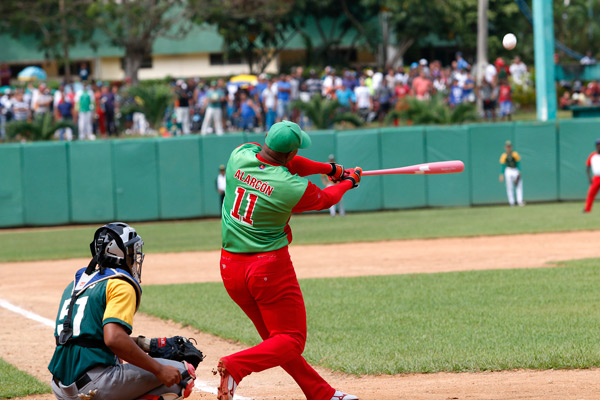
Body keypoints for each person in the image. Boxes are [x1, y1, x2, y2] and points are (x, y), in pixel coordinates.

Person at [216, 120, 361, 400]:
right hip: (268, 268)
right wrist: (347, 183)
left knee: (277, 342)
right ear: (289, 154)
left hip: (230, 268)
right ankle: (235, 367)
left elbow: (291, 163)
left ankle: (320, 392)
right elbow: (326, 198)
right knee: (291, 340)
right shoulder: (289, 187)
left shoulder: (240, 155)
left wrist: (331, 169)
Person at [48, 222, 196, 400]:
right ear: (120, 254)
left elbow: (89, 337)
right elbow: (114, 339)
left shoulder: (77, 283)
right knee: (182, 373)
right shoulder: (120, 284)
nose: (135, 257)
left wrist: (147, 344)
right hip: (92, 388)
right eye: (132, 251)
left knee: (120, 357)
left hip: (61, 388)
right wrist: (159, 369)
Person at [499, 140, 524, 206]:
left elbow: (518, 163)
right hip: (508, 170)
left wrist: (519, 171)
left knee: (519, 185)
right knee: (509, 187)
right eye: (507, 146)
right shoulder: (504, 155)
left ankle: (519, 201)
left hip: (515, 170)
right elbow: (503, 165)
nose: (508, 148)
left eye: (509, 146)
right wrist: (501, 174)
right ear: (505, 147)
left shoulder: (515, 154)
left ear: (511, 147)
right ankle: (511, 202)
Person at [584, 139, 600, 213]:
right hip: (596, 177)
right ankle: (587, 209)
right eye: (598, 144)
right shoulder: (592, 155)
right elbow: (587, 167)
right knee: (591, 194)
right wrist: (589, 178)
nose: (599, 146)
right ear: (596, 146)